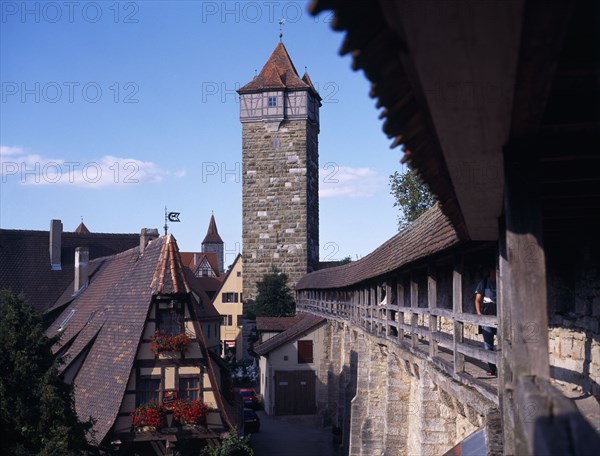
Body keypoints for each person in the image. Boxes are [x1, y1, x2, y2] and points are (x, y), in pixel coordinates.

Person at [475, 268, 497, 376]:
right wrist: (479, 314)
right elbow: (478, 299)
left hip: (501, 317)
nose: (496, 272)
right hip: (486, 317)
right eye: (494, 270)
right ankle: (492, 368)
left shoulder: (502, 282)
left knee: (505, 343)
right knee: (488, 345)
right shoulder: (483, 283)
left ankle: (505, 368)